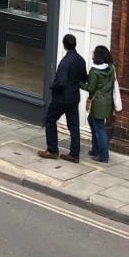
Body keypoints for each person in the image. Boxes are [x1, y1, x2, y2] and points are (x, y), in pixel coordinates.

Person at [40, 33, 87, 162]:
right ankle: (74, 154)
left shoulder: (65, 62)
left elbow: (61, 82)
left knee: (50, 119)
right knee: (74, 126)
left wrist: (52, 87)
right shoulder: (80, 60)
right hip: (74, 97)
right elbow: (84, 78)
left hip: (62, 97)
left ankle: (52, 150)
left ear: (64, 45)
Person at [81, 45, 117, 163]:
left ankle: (104, 155)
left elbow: (90, 87)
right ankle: (95, 149)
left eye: (94, 53)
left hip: (97, 103)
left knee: (100, 128)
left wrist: (78, 83)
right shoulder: (111, 68)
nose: (92, 54)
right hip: (107, 102)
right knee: (92, 121)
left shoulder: (94, 71)